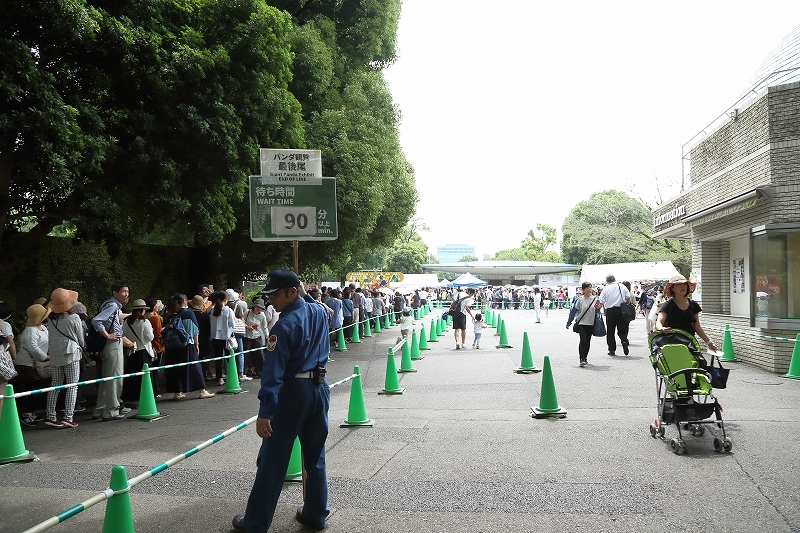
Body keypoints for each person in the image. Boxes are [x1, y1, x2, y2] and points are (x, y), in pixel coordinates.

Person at [232, 269, 330, 532]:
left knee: (273, 460)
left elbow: (273, 374)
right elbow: (310, 303)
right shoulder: (319, 311)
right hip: (320, 388)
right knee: (315, 456)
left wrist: (265, 410)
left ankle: (255, 523)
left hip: (293, 393)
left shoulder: (283, 326)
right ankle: (316, 514)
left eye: (275, 294)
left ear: (292, 292)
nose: (270, 300)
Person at [44, 288, 84, 428]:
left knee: (55, 385)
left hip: (55, 353)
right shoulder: (74, 318)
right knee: (72, 385)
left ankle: (50, 415)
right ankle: (68, 416)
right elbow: (80, 338)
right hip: (71, 353)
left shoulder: (51, 319)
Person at [163, 293, 215, 400]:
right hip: (187, 345)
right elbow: (194, 330)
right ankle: (202, 390)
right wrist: (197, 344)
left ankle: (177, 392)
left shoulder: (169, 314)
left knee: (176, 369)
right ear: (184, 301)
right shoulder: (188, 313)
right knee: (195, 367)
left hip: (173, 346)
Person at [91, 283, 129, 421]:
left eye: (127, 291)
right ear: (115, 293)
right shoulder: (113, 306)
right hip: (113, 343)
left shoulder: (108, 304)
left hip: (108, 345)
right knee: (115, 377)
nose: (126, 294)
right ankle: (111, 411)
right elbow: (96, 321)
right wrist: (107, 335)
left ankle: (100, 409)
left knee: (106, 377)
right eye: (123, 291)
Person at [655, 275, 718, 352]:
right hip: (671, 344)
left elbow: (697, 326)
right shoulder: (668, 305)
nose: (682, 286)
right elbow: (659, 322)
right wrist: (661, 328)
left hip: (689, 343)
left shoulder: (693, 304)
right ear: (672, 288)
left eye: (684, 284)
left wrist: (709, 343)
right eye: (678, 284)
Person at [15, 304, 52, 425]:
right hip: (25, 364)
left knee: (34, 387)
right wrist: (46, 357)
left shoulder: (42, 328)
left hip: (35, 363)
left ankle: (28, 412)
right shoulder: (30, 330)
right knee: (35, 386)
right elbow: (33, 348)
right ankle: (25, 413)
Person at [121, 299, 155, 407]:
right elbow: (150, 337)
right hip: (143, 351)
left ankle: (130, 399)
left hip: (131, 352)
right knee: (144, 377)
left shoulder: (127, 322)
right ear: (143, 310)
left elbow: (124, 335)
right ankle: (143, 399)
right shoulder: (145, 322)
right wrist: (152, 331)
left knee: (132, 377)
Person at [598, 274, 633, 356]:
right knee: (622, 328)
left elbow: (601, 302)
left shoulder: (606, 289)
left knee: (610, 331)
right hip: (621, 310)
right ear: (615, 279)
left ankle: (612, 349)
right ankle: (624, 340)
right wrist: (626, 304)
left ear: (607, 281)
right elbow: (628, 298)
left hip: (610, 311)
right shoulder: (622, 286)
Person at [566, 282, 598, 367]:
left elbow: (597, 311)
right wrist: (569, 322)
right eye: (588, 288)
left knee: (588, 341)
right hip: (581, 323)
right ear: (583, 289)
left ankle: (585, 358)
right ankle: (581, 359)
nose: (590, 289)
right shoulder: (579, 300)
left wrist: (599, 307)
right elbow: (573, 312)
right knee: (583, 340)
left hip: (591, 323)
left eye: (590, 287)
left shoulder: (595, 299)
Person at [209, 290, 236, 386]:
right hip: (227, 337)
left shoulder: (212, 310)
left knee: (218, 359)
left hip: (215, 338)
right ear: (225, 299)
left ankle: (220, 379)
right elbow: (232, 324)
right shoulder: (228, 310)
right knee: (230, 358)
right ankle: (232, 376)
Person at [0, 302, 17, 423]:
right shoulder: (4, 325)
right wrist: (14, 357)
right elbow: (10, 343)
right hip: (1, 360)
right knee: (1, 389)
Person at [244, 299, 268, 378]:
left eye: (260, 308)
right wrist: (247, 327)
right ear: (254, 307)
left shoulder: (262, 315)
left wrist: (267, 335)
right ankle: (244, 372)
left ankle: (260, 372)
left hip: (257, 335)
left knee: (260, 354)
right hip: (247, 336)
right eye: (257, 307)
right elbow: (241, 321)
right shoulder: (247, 312)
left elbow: (264, 327)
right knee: (246, 354)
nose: (258, 309)